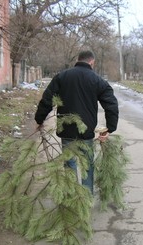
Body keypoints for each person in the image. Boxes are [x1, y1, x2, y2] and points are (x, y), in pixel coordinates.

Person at [34, 50, 119, 194]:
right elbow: (111, 105)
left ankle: (71, 195)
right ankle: (85, 199)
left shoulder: (62, 77)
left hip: (66, 130)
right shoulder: (97, 80)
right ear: (92, 62)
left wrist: (39, 119)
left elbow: (47, 99)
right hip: (86, 132)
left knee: (69, 164)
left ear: (78, 60)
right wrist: (110, 128)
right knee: (87, 165)